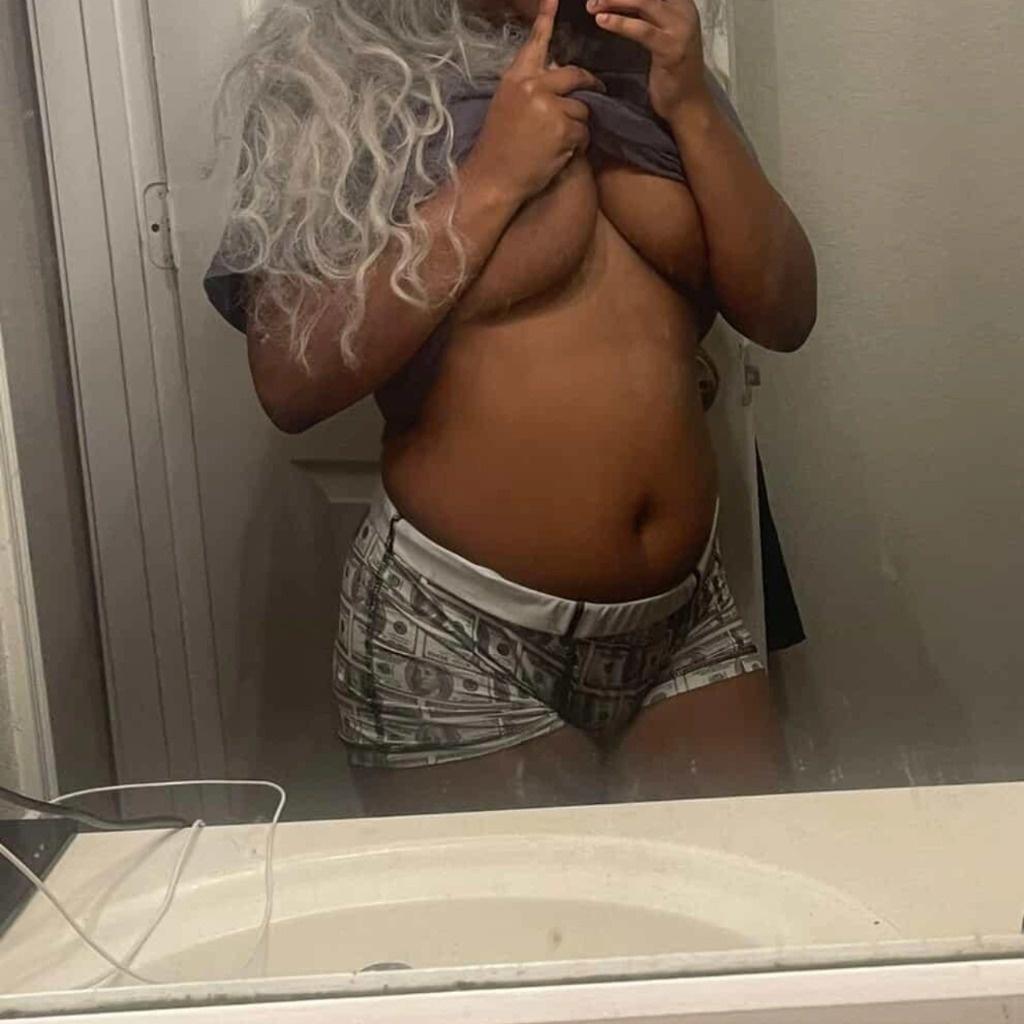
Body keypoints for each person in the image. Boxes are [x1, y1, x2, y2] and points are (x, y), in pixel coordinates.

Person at [204, 0, 817, 815]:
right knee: (509, 904)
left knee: (746, 888)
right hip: (456, 633)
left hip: (686, 617)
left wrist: (693, 101)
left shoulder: (646, 68)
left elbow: (785, 314)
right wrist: (494, 175)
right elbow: (290, 379)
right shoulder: (338, 74)